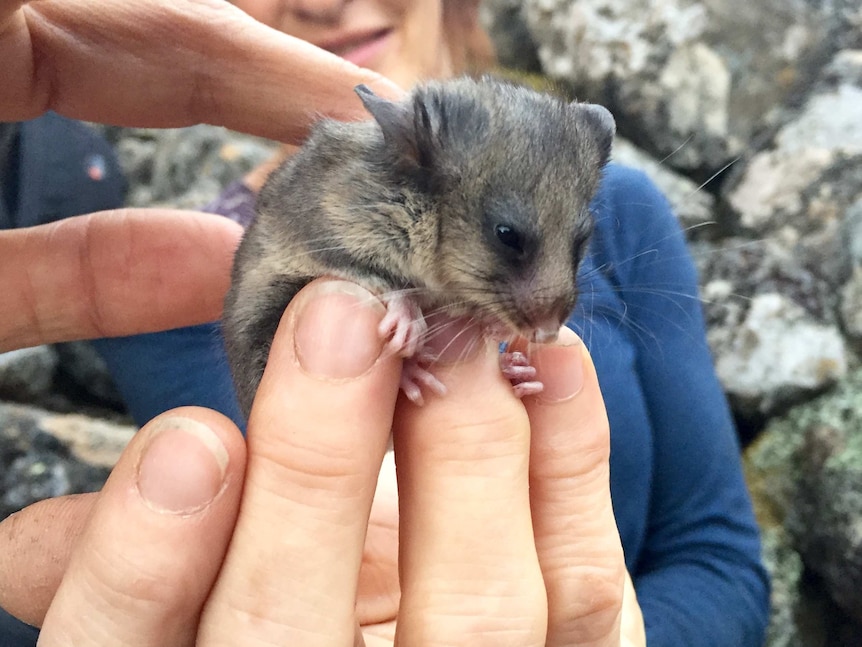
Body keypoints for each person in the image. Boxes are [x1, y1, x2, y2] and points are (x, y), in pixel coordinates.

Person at [0, 2, 769, 647]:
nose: (329, 3)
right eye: (512, 240)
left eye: (571, 246)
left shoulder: (623, 210)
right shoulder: (154, 290)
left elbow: (722, 563)